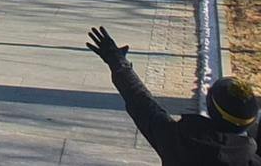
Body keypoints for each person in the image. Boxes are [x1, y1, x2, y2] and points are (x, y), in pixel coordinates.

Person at [87, 27, 260, 162]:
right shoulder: (250, 158)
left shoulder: (178, 140)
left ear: (212, 110)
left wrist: (118, 62)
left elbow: (140, 101)